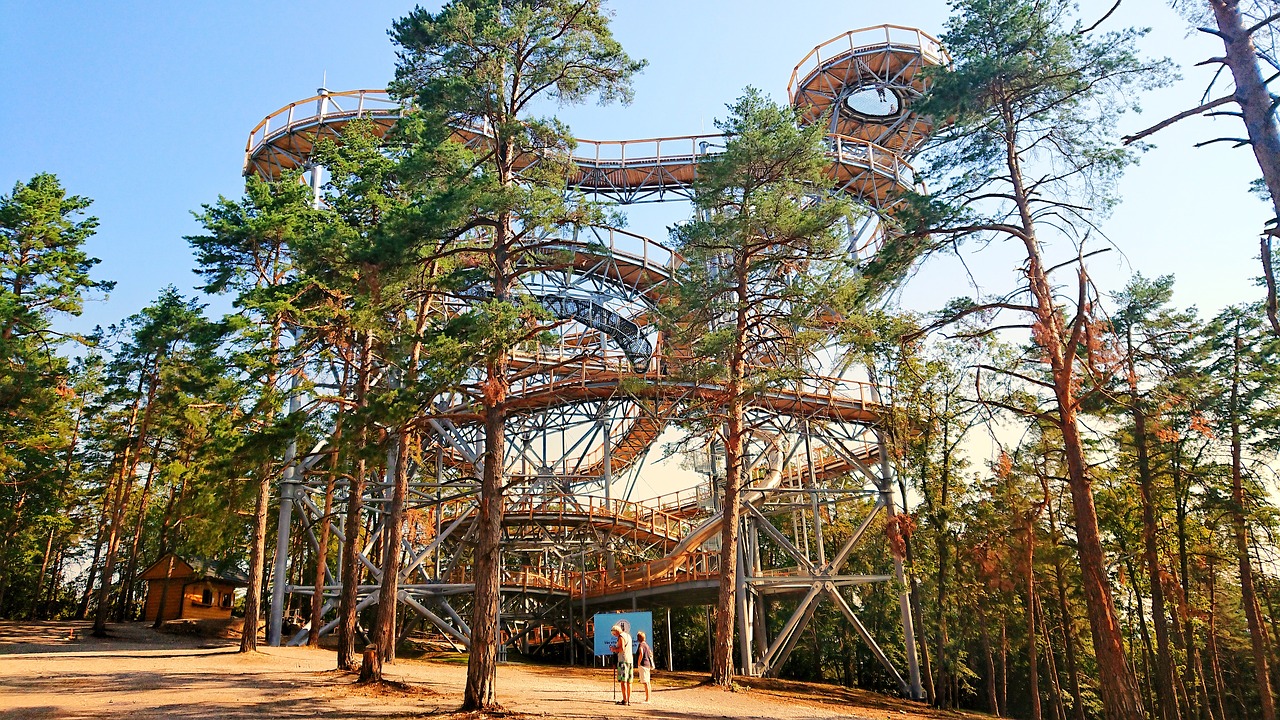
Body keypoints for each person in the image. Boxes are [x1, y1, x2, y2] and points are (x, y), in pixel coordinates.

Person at [609, 623, 633, 705]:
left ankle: (625, 699)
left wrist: (614, 649)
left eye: (614, 633)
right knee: (629, 681)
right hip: (630, 660)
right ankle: (628, 699)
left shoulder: (621, 637)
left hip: (623, 660)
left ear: (616, 631)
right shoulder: (628, 636)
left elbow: (621, 648)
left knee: (623, 681)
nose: (614, 635)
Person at [635, 630, 654, 703]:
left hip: (643, 664)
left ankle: (647, 699)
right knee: (648, 682)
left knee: (645, 682)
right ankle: (648, 698)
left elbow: (641, 654)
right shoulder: (647, 645)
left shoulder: (641, 645)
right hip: (648, 664)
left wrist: (639, 663)